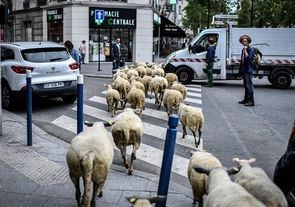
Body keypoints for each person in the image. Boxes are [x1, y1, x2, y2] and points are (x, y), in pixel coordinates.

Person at [238, 35, 255, 106]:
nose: (244, 42)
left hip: (248, 70)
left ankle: (251, 101)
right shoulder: (243, 49)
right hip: (244, 69)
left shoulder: (250, 49)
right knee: (245, 85)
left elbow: (249, 59)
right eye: (243, 41)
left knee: (249, 85)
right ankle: (246, 99)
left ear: (248, 42)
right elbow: (244, 59)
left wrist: (245, 51)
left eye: (245, 41)